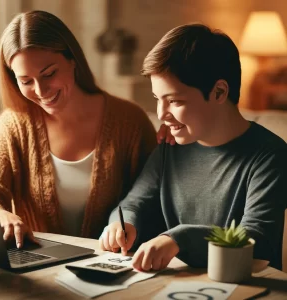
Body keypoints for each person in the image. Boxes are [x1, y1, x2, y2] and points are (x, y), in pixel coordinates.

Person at [99, 23, 287, 271]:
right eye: (158, 99)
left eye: (175, 100)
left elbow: (257, 238)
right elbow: (133, 203)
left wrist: (179, 238)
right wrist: (122, 225)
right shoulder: (170, 147)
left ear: (219, 92)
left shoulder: (270, 155)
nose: (161, 114)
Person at [0, 10, 171, 249]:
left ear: (72, 60)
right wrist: (1, 214)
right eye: (26, 81)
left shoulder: (130, 122)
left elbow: (155, 202)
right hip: (41, 272)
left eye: (49, 73)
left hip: (115, 268)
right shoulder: (13, 126)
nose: (41, 91)